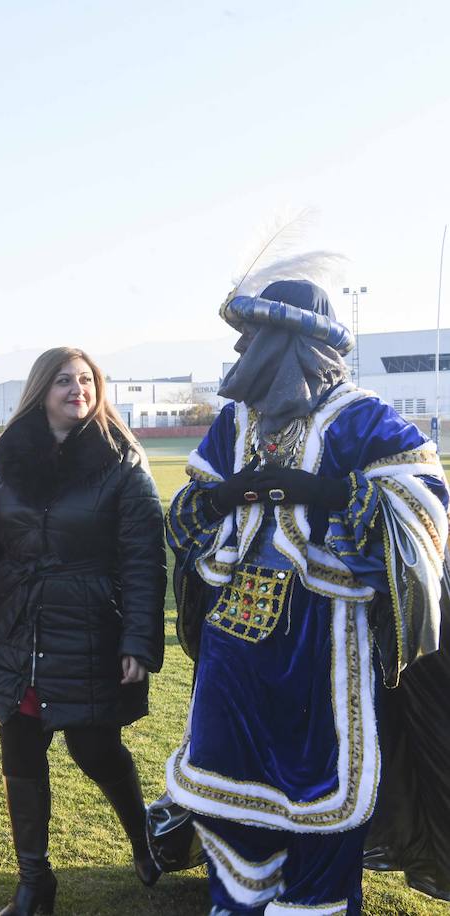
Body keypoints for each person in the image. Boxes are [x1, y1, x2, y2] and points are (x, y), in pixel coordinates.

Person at [164, 259, 449, 915]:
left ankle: (314, 903)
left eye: (256, 338)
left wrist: (329, 495)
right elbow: (191, 510)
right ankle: (241, 897)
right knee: (225, 787)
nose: (243, 353)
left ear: (293, 343)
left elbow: (425, 505)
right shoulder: (234, 424)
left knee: (322, 792)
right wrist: (225, 501)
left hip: (324, 642)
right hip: (234, 644)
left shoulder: (363, 419)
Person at [0, 346, 166, 916]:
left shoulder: (122, 458)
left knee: (96, 749)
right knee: (20, 753)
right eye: (64, 380)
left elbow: (143, 559)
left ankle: (143, 839)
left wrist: (139, 642)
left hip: (88, 627)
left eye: (86, 380)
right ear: (41, 389)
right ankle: (34, 885)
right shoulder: (10, 454)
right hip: (15, 624)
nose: (77, 389)